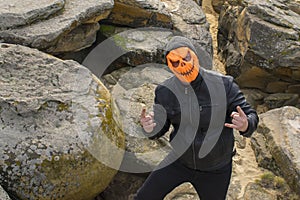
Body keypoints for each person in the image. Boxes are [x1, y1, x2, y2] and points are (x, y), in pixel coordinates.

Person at [134, 36, 259, 200]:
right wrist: (150, 128)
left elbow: (251, 116)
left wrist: (245, 125)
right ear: (170, 66)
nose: (183, 65)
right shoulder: (164, 91)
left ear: (195, 56)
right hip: (179, 161)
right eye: (176, 62)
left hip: (216, 169)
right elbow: (160, 127)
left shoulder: (224, 84)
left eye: (186, 58)